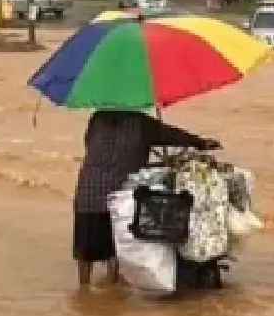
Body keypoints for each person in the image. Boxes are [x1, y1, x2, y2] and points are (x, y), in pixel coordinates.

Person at [73, 108, 215, 288]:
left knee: (85, 251)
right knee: (115, 249)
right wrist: (201, 143)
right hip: (120, 198)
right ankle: (112, 289)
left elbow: (89, 144)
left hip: (88, 192)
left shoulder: (97, 118)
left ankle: (83, 290)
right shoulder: (143, 124)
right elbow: (174, 135)